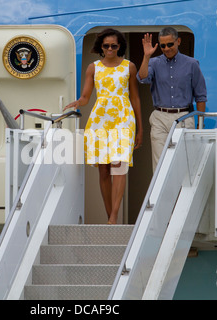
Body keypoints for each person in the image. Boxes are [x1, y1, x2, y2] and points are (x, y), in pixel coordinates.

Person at [64, 28, 143, 224]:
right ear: (101, 46)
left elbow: (135, 97)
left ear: (119, 47)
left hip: (124, 119)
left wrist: (140, 128)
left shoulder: (129, 67)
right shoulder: (93, 67)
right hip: (99, 121)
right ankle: (111, 217)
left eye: (113, 46)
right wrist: (77, 103)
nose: (109, 49)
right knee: (103, 170)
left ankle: (114, 216)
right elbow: (85, 96)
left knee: (119, 166)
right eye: (106, 45)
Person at [137, 27, 207, 172]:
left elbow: (201, 95)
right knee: (159, 164)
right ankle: (160, 195)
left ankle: (181, 195)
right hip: (160, 117)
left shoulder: (192, 64)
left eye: (170, 44)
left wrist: (200, 124)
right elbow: (142, 78)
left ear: (178, 41)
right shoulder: (154, 63)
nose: (167, 48)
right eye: (163, 46)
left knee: (184, 162)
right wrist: (146, 56)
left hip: (184, 116)